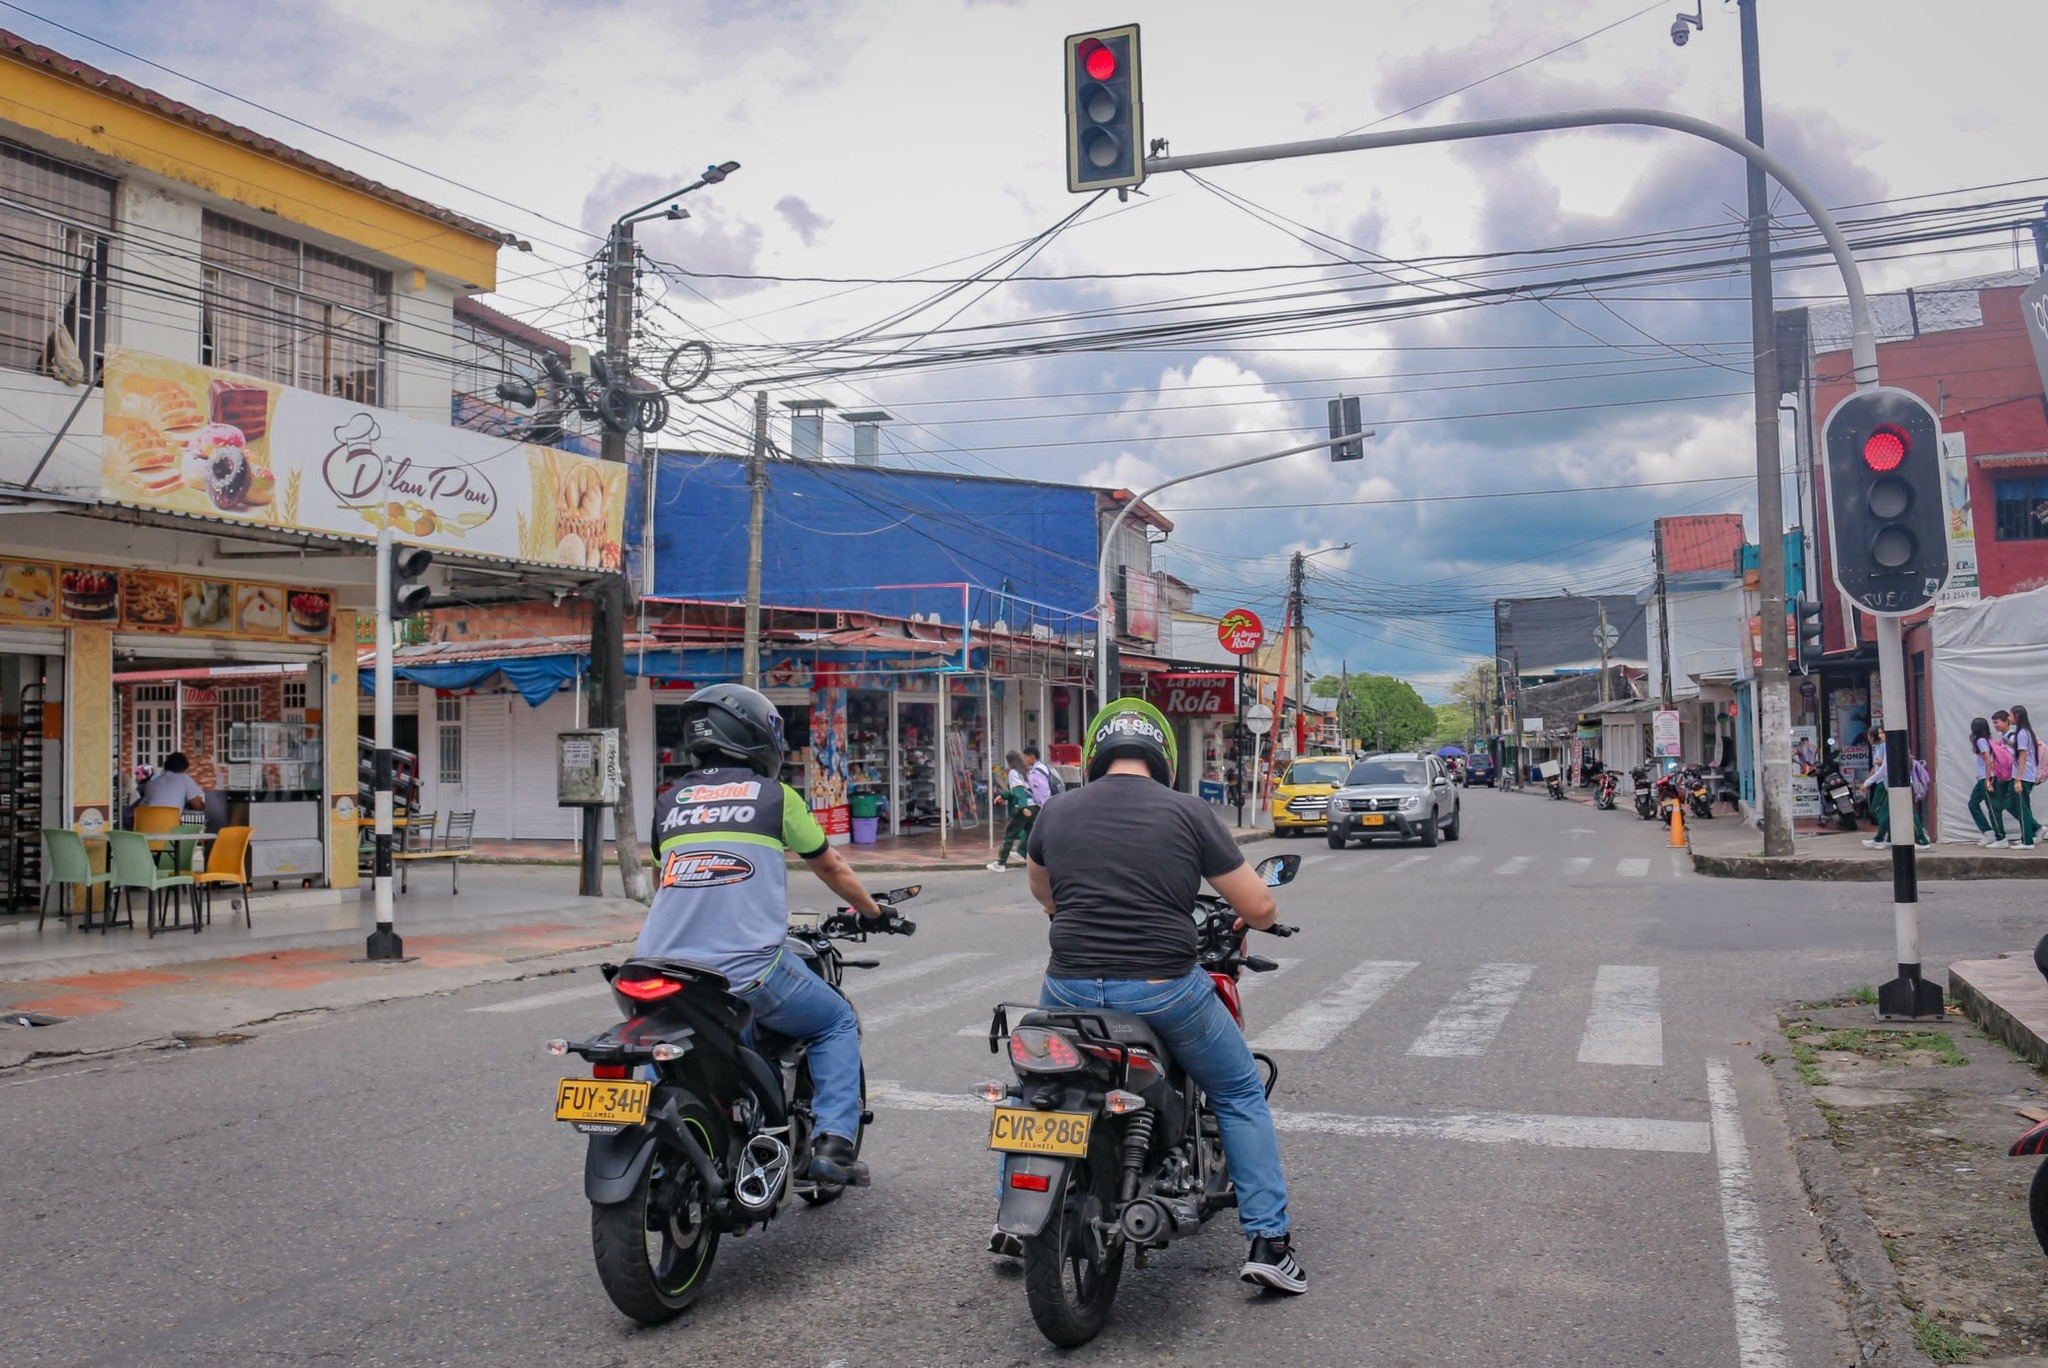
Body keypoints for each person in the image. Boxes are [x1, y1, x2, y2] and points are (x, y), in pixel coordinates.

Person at [1014, 698, 1307, 1294]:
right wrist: (1258, 919)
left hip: (1068, 985)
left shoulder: (1057, 810)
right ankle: (1270, 1244)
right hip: (1161, 987)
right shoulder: (1188, 811)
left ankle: (1013, 1225)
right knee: (1238, 1091)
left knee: (1039, 1092)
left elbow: (1043, 893)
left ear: (1096, 753)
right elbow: (1258, 905)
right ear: (1162, 755)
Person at [638, 683, 884, 1185]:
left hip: (655, 967)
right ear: (756, 737)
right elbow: (831, 867)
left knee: (657, 1041)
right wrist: (873, 912)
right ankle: (833, 1144)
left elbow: (669, 875)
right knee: (836, 1020)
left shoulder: (670, 801)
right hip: (744, 969)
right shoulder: (775, 797)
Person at [1859, 725, 1928, 848]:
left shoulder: (1891, 747)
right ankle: (1887, 837)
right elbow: (1881, 769)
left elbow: (1883, 771)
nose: (1880, 736)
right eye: (1879, 733)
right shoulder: (1890, 747)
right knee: (1887, 812)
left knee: (1906, 813)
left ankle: (1921, 840)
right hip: (1894, 786)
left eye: (1882, 733)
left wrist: (1867, 783)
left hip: (1900, 785)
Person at [1967, 716, 2010, 848]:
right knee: (1973, 803)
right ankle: (1988, 832)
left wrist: (1987, 780)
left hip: (1988, 778)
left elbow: (1987, 760)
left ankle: (2001, 837)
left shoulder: (1981, 741)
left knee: (1992, 807)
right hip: (1985, 777)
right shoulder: (1987, 739)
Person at [988, 749, 1034, 871]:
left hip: (1024, 807)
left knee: (1009, 835)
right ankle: (1023, 853)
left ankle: (1000, 863)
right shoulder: (1027, 771)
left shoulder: (1014, 773)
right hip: (1035, 806)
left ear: (1009, 762)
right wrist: (1003, 795)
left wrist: (1023, 807)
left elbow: (1018, 790)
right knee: (1030, 832)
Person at [2010, 705, 2041, 850]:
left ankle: (2028, 842)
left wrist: (2018, 779)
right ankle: (2027, 836)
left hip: (2023, 776)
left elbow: (2023, 756)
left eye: (2010, 715)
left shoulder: (2022, 733)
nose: (2009, 718)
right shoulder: (2026, 732)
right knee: (2021, 807)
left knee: (2023, 809)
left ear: (2017, 716)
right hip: (2026, 775)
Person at [138, 752, 205, 812]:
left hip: (148, 821)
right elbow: (198, 806)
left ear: (166, 765)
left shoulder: (150, 783)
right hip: (171, 821)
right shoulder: (184, 778)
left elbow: (141, 807)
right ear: (183, 769)